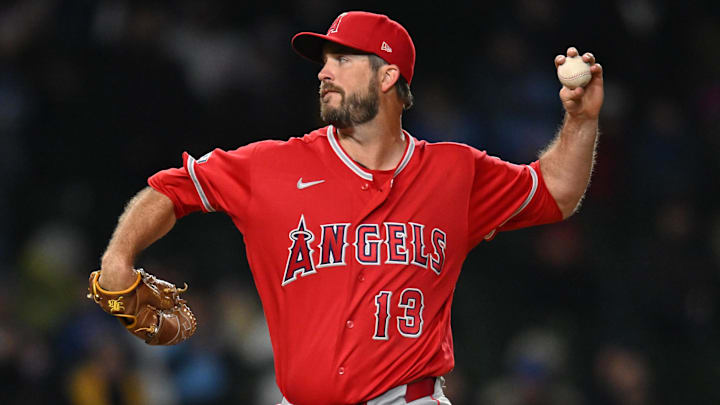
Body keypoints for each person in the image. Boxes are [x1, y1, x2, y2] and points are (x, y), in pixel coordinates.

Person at [95, 11, 603, 405]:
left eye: (342, 59)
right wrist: (118, 259)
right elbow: (172, 189)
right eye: (324, 61)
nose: (324, 72)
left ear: (387, 77)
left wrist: (580, 121)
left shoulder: (454, 172)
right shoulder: (271, 166)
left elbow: (556, 190)